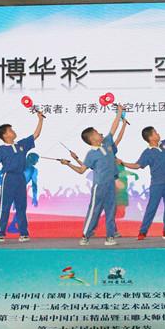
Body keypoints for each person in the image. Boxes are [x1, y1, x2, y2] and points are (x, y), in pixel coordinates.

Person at [0, 111, 44, 243]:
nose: (13, 131)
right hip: (9, 178)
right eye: (10, 130)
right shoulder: (1, 149)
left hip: (20, 178)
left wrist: (40, 120)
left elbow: (36, 135)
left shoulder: (21, 145)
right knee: (5, 206)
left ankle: (23, 233)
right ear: (5, 135)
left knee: (21, 206)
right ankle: (0, 233)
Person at [60, 104, 124, 246]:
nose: (100, 133)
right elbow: (82, 170)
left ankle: (110, 237)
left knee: (111, 211)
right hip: (99, 186)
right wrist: (68, 164)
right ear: (91, 139)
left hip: (110, 184)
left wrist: (119, 113)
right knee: (94, 211)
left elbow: (113, 128)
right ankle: (85, 236)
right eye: (96, 133)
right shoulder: (91, 154)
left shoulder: (107, 143)